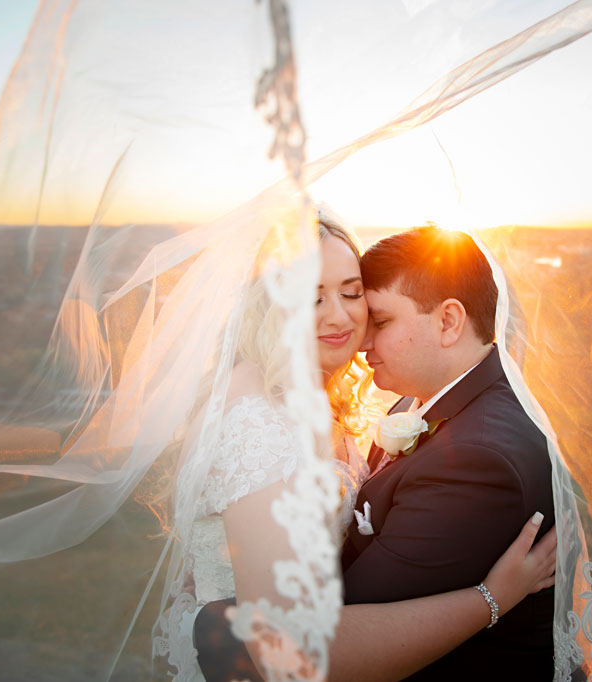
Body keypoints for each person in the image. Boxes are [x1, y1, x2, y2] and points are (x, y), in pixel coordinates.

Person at [182, 213, 559, 682]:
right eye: (310, 296)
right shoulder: (254, 421)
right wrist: (490, 599)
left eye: (352, 293)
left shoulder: (325, 395)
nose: (340, 316)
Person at [341, 225, 565, 680]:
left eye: (380, 323)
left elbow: (348, 620)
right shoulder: (424, 396)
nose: (363, 343)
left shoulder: (478, 462)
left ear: (448, 321)